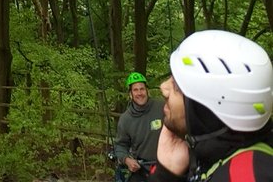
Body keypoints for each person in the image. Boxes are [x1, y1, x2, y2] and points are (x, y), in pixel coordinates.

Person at [154, 29, 273, 182]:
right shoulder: (217, 159)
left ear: (206, 108)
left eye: (176, 86)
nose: (163, 88)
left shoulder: (247, 176)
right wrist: (168, 173)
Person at [114, 72, 165, 182]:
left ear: (147, 91)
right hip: (142, 170)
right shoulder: (125, 119)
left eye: (142, 89)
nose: (139, 93)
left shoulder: (162, 107)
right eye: (135, 90)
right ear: (130, 94)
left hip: (166, 167)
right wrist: (127, 160)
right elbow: (120, 146)